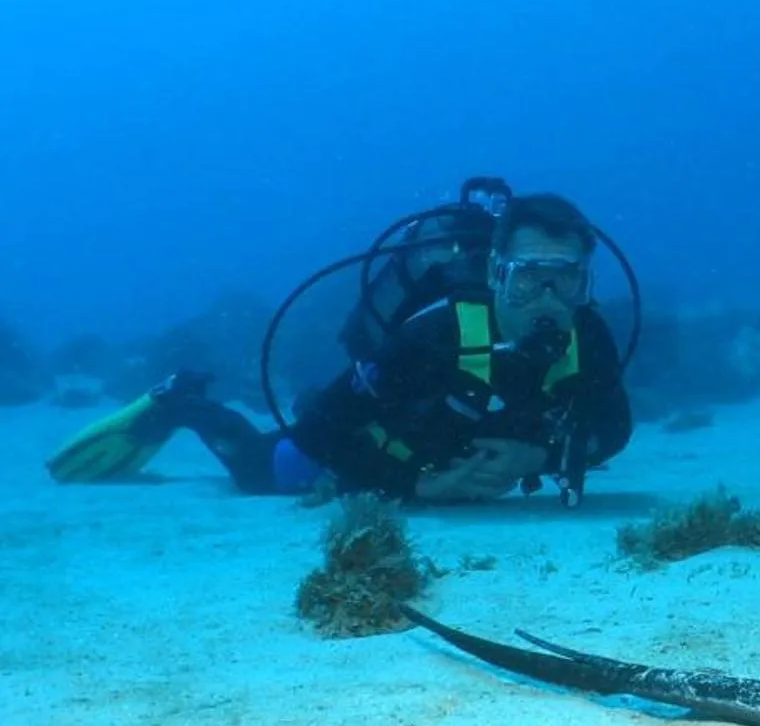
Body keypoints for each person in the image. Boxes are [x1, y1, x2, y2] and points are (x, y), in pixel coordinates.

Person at [47, 192, 633, 503]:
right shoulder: (435, 335)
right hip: (375, 444)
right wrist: (414, 486)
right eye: (529, 278)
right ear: (497, 274)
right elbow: (323, 433)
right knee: (259, 471)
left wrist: (540, 459)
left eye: (567, 280)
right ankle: (182, 403)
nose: (548, 300)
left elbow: (614, 428)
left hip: (435, 449)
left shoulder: (588, 337)